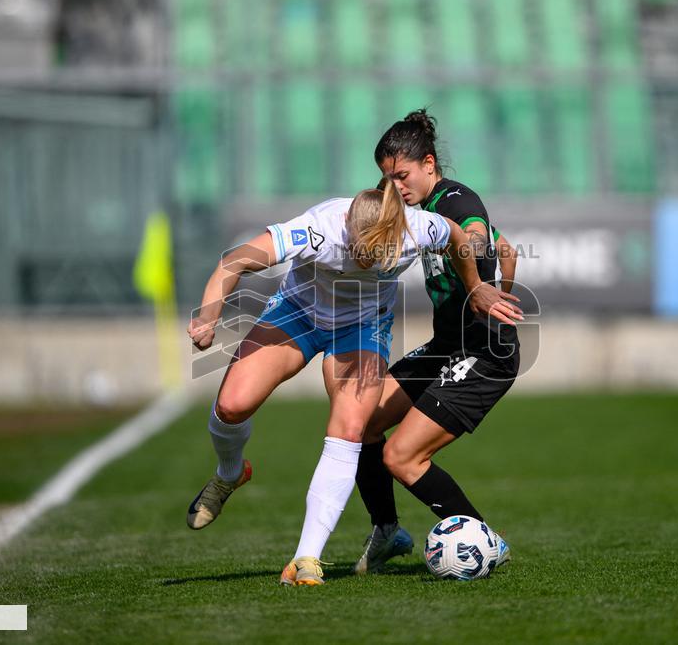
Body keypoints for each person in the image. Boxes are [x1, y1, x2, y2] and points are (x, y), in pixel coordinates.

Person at [185, 184, 522, 586]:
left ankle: (306, 558)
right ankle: (230, 473)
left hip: (361, 327)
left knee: (350, 428)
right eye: (364, 254)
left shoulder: (418, 226)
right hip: (299, 313)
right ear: (349, 230)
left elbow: (454, 235)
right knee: (232, 406)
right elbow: (234, 262)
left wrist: (476, 287)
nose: (371, 263)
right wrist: (208, 316)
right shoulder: (317, 229)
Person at [353, 110, 522, 574]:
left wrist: (478, 286)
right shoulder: (415, 210)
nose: (395, 187)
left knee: (401, 456)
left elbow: (475, 237)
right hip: (447, 345)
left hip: (483, 353)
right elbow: (507, 250)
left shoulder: (454, 200)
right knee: (363, 419)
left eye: (402, 176)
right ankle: (387, 532)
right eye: (387, 179)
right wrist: (497, 288)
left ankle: (485, 543)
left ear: (429, 163)